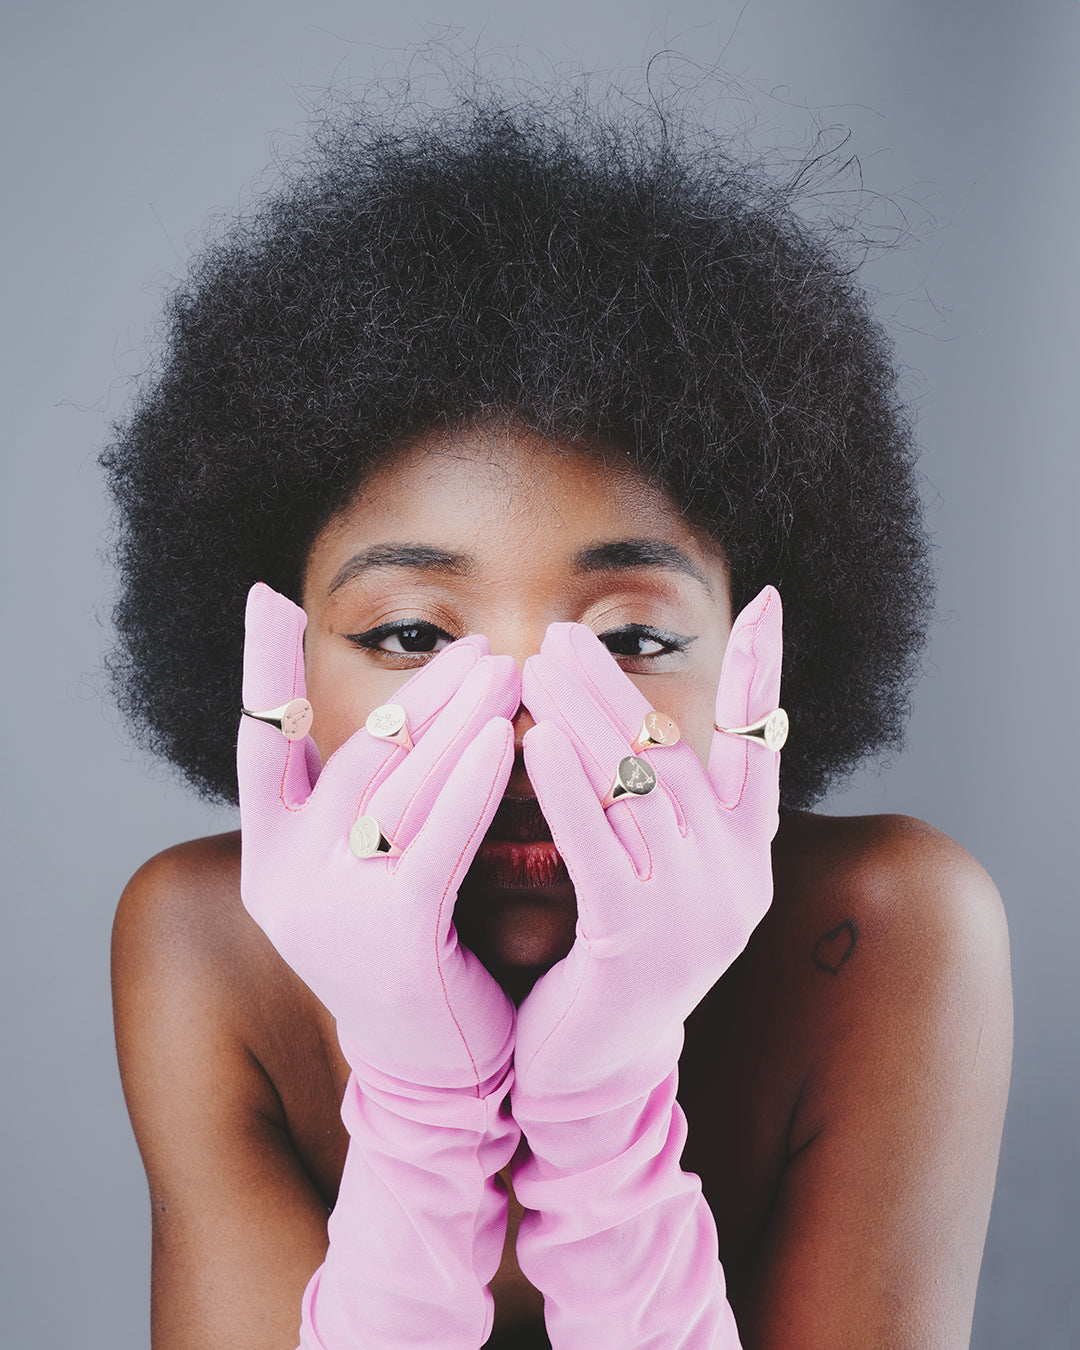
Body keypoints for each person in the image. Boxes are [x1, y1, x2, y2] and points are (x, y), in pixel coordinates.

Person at [103, 79, 1012, 1349]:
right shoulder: (206, 942)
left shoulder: (886, 933)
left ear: (761, 662)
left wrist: (606, 1118)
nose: (521, 727)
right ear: (279, 666)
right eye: (414, 636)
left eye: (632, 640)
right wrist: (422, 1116)